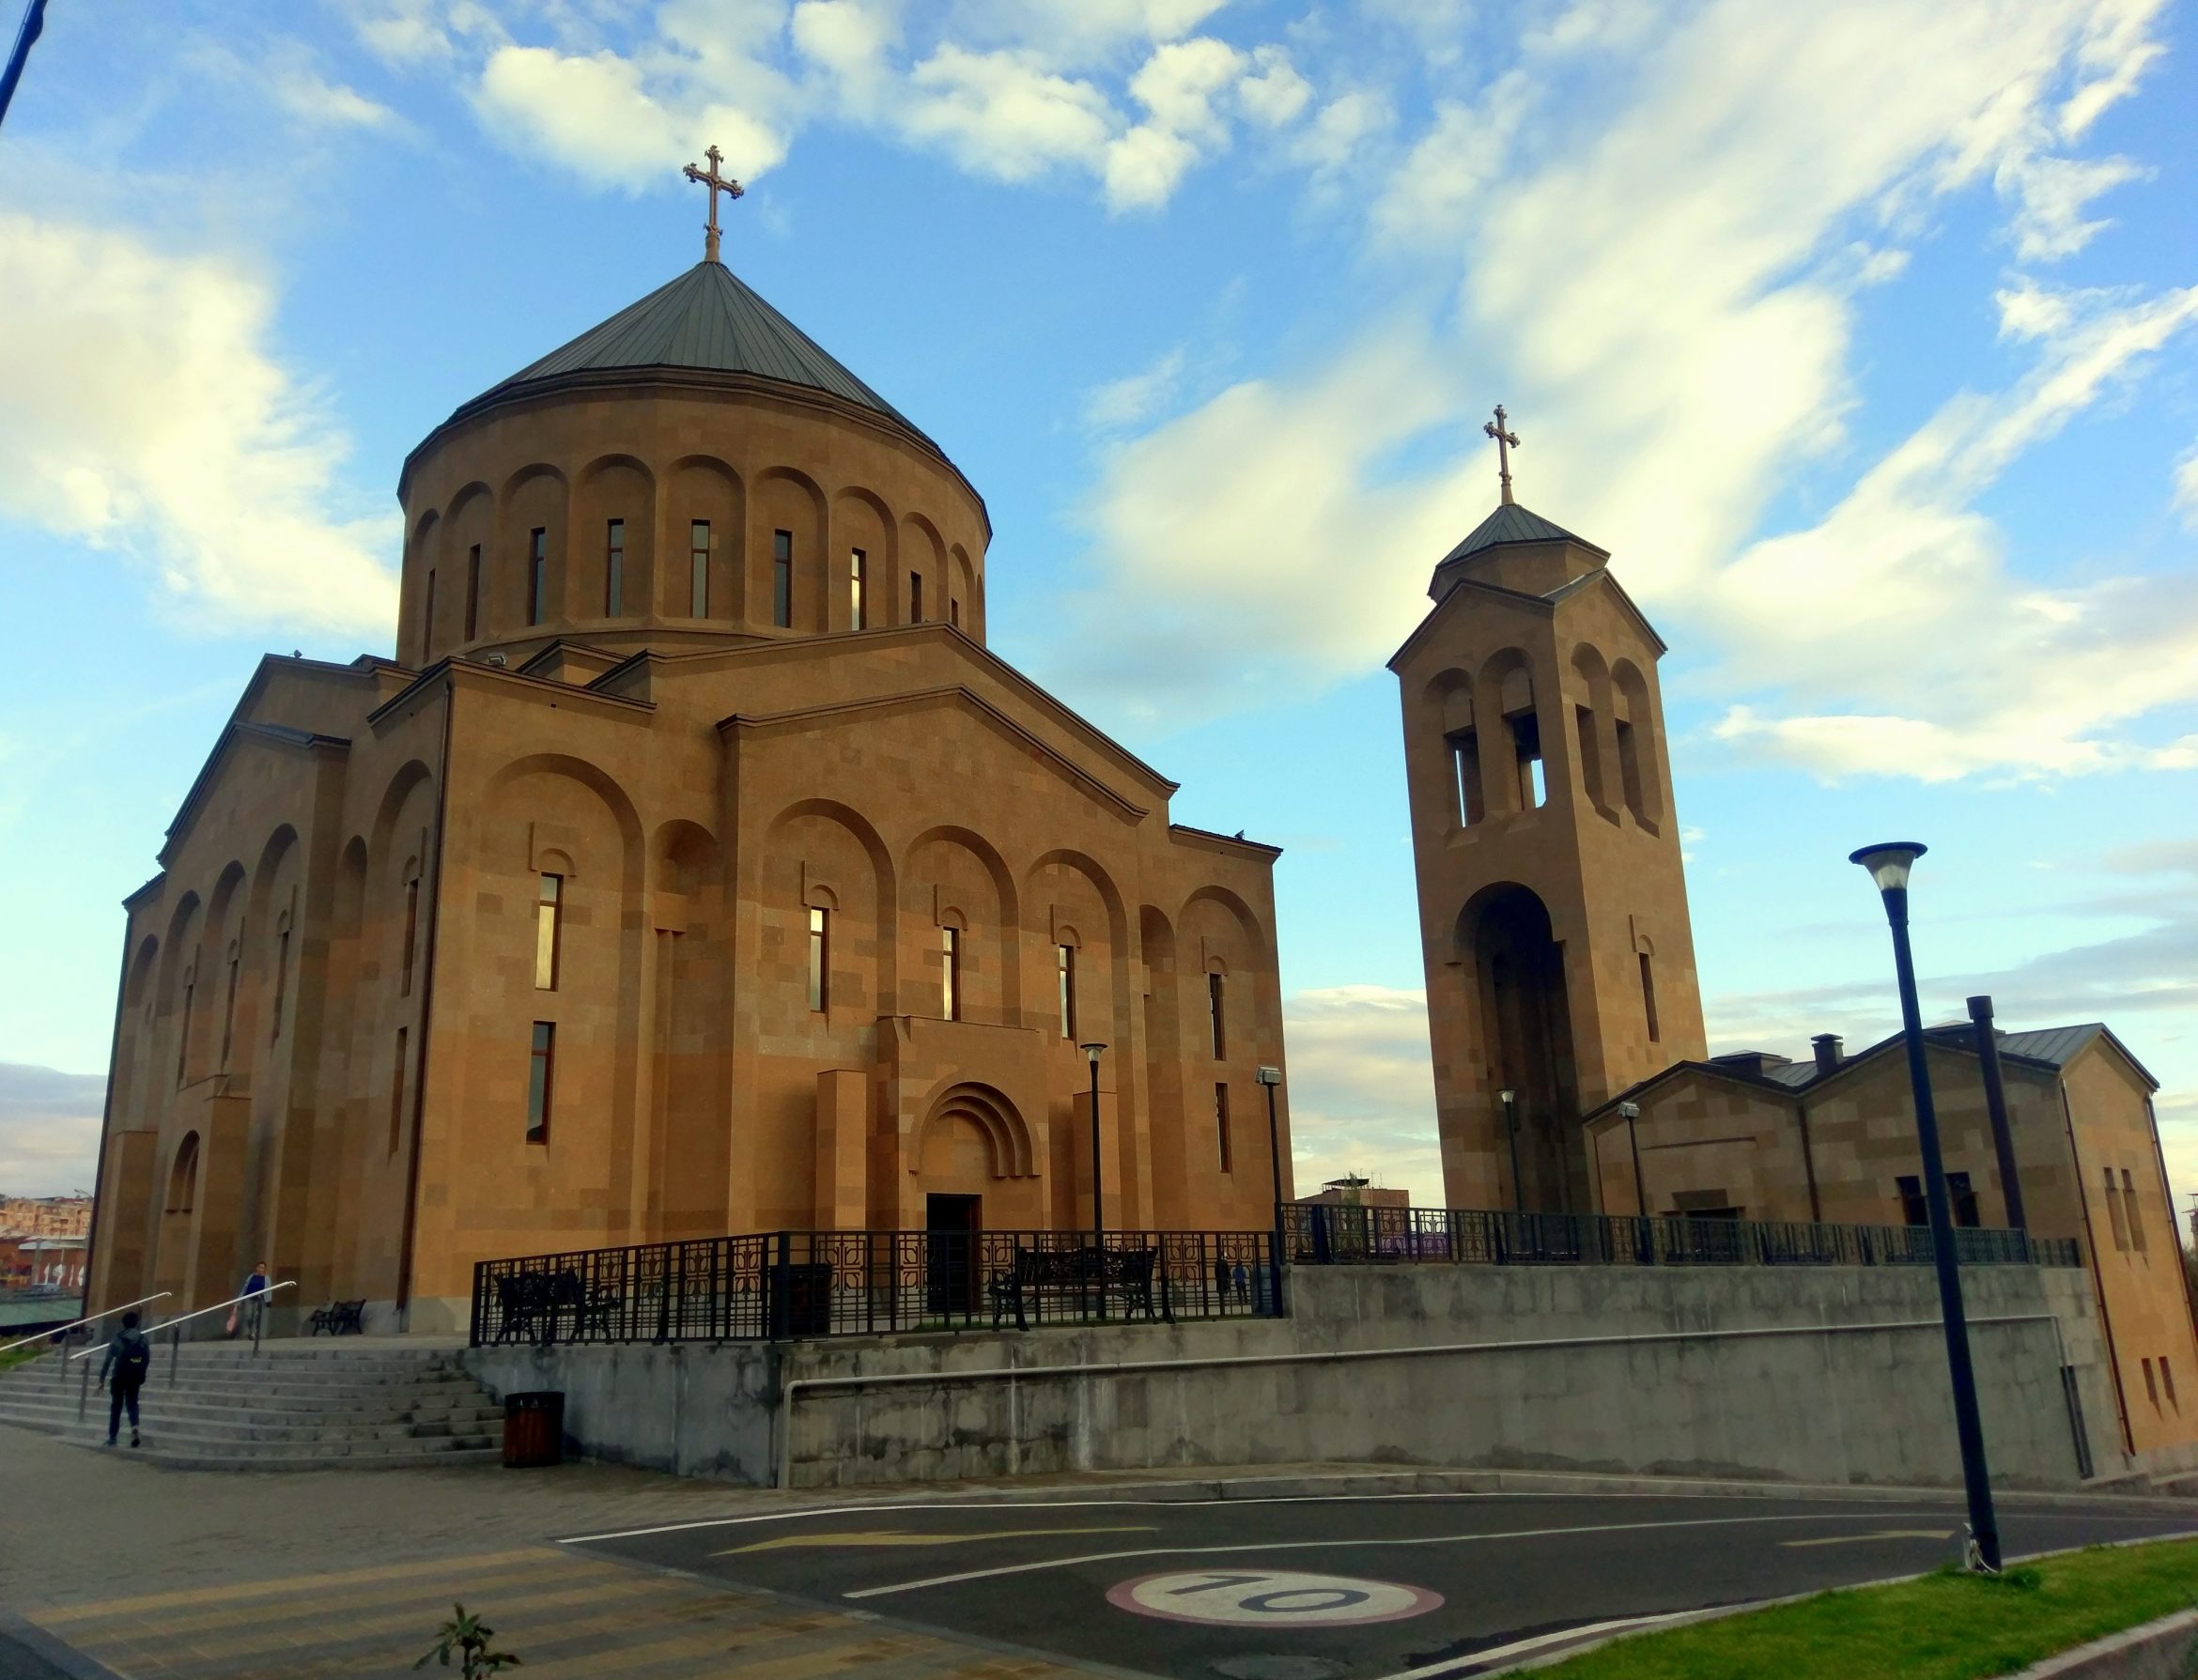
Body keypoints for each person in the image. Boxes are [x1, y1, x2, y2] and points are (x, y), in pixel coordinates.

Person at [98, 1310, 152, 1448]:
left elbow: (107, 1361)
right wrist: (142, 1372)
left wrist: (101, 1379)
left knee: (116, 1406)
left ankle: (112, 1438)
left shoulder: (118, 1338)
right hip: (135, 1376)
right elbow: (147, 1358)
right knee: (132, 1403)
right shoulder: (142, 1339)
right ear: (137, 1323)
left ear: (123, 1324)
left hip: (119, 1376)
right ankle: (134, 1425)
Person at [235, 1259, 270, 1341]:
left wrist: (268, 1301)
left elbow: (268, 1290)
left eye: (263, 1268)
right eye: (260, 1267)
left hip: (259, 1300)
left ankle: (252, 1333)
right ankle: (251, 1331)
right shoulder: (251, 1276)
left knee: (255, 1316)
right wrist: (238, 1301)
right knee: (248, 1315)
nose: (261, 1269)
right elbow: (245, 1288)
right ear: (256, 1268)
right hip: (249, 1298)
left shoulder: (266, 1278)